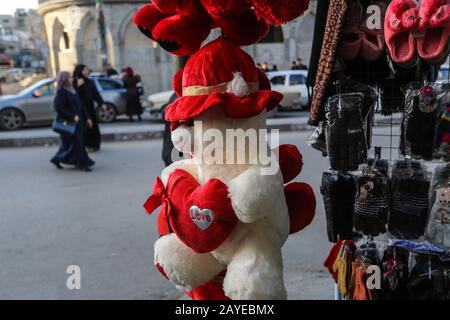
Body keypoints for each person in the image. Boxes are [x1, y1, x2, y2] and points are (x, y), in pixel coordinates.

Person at [50, 71, 95, 172]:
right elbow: (58, 108)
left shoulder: (72, 90)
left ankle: (57, 159)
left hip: (79, 121)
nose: (72, 78)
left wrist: (87, 117)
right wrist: (72, 116)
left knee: (72, 144)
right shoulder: (62, 91)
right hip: (70, 122)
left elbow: (80, 105)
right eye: (70, 77)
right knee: (78, 143)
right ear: (65, 79)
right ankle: (82, 164)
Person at [73, 64, 106, 152]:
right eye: (85, 70)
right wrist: (77, 86)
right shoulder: (75, 82)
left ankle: (94, 145)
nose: (88, 71)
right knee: (85, 128)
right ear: (80, 71)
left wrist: (101, 103)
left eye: (88, 69)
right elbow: (73, 95)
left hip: (90, 107)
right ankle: (85, 145)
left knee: (93, 127)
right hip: (80, 109)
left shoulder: (90, 81)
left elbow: (96, 94)